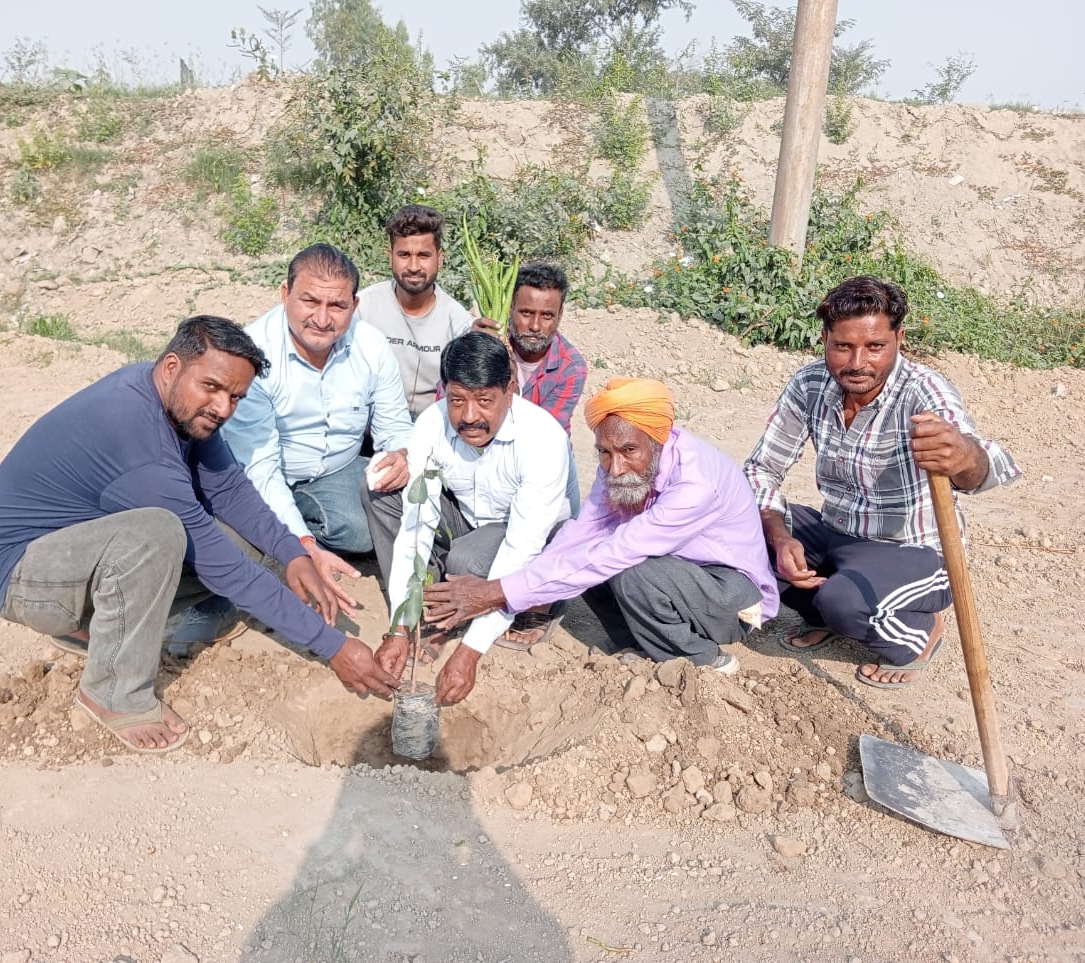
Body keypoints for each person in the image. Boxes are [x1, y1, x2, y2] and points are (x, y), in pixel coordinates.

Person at [0, 315, 399, 754]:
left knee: (237, 539)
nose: (223, 408)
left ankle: (89, 627)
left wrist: (293, 552)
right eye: (211, 387)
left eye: (236, 397)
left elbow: (227, 487)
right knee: (160, 533)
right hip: (16, 573)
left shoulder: (171, 400)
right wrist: (333, 646)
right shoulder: (133, 432)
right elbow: (222, 567)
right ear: (172, 366)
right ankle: (113, 694)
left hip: (75, 550)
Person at [423, 378, 779, 699]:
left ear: (658, 441)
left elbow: (622, 550)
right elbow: (581, 533)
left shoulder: (696, 484)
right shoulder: (617, 461)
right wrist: (529, 595)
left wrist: (497, 592)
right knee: (574, 540)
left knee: (629, 568)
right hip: (675, 582)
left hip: (732, 599)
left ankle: (705, 658)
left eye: (628, 452)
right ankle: (638, 643)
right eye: (604, 453)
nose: (615, 467)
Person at [743, 276, 1021, 688]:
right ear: (824, 339)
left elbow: (993, 466)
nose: (858, 362)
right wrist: (781, 538)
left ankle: (919, 636)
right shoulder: (811, 383)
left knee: (845, 601)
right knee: (738, 524)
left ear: (898, 339)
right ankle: (826, 616)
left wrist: (962, 454)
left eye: (875, 347)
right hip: (839, 530)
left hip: (913, 551)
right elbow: (760, 469)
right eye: (843, 346)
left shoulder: (923, 392)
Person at [363, 332, 579, 706]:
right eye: (457, 400)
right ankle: (432, 604)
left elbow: (521, 547)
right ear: (444, 390)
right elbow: (416, 527)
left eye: (484, 401)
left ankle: (540, 603)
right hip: (468, 519)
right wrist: (399, 627)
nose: (469, 416)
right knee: (384, 494)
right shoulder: (432, 425)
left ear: (509, 389)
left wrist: (470, 651)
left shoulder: (543, 439)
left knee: (466, 559)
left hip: (529, 533)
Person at [222, 244, 413, 611]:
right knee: (232, 536)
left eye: (337, 306)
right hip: (259, 471)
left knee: (370, 525)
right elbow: (261, 466)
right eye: (310, 301)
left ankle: (289, 522)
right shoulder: (253, 353)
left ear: (354, 306)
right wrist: (303, 547)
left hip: (336, 470)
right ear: (285, 294)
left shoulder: (371, 346)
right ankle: (281, 531)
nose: (322, 319)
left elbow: (395, 426)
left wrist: (402, 454)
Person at [356, 204, 478, 419]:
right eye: (404, 254)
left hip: (432, 426)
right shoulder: (364, 307)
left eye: (423, 255)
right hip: (368, 423)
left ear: (439, 258)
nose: (413, 266)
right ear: (390, 256)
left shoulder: (457, 322)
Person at [504, 262, 588, 435]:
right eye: (526, 313)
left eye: (547, 315)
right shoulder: (489, 343)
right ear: (511, 308)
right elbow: (449, 401)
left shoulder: (570, 368)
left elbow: (543, 434)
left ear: (560, 314)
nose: (535, 326)